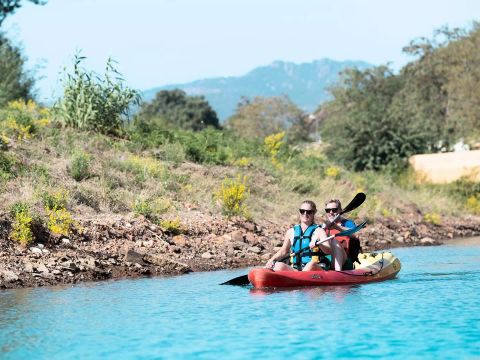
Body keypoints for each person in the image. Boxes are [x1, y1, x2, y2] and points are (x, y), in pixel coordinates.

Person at [265, 200, 347, 271]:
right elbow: (283, 251)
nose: (305, 214)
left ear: (313, 213)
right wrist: (271, 260)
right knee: (278, 265)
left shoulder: (319, 231)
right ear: (299, 212)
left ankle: (300, 280)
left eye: (309, 212)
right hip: (297, 269)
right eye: (302, 211)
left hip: (316, 267)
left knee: (310, 265)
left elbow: (328, 250)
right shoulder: (291, 232)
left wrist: (319, 243)